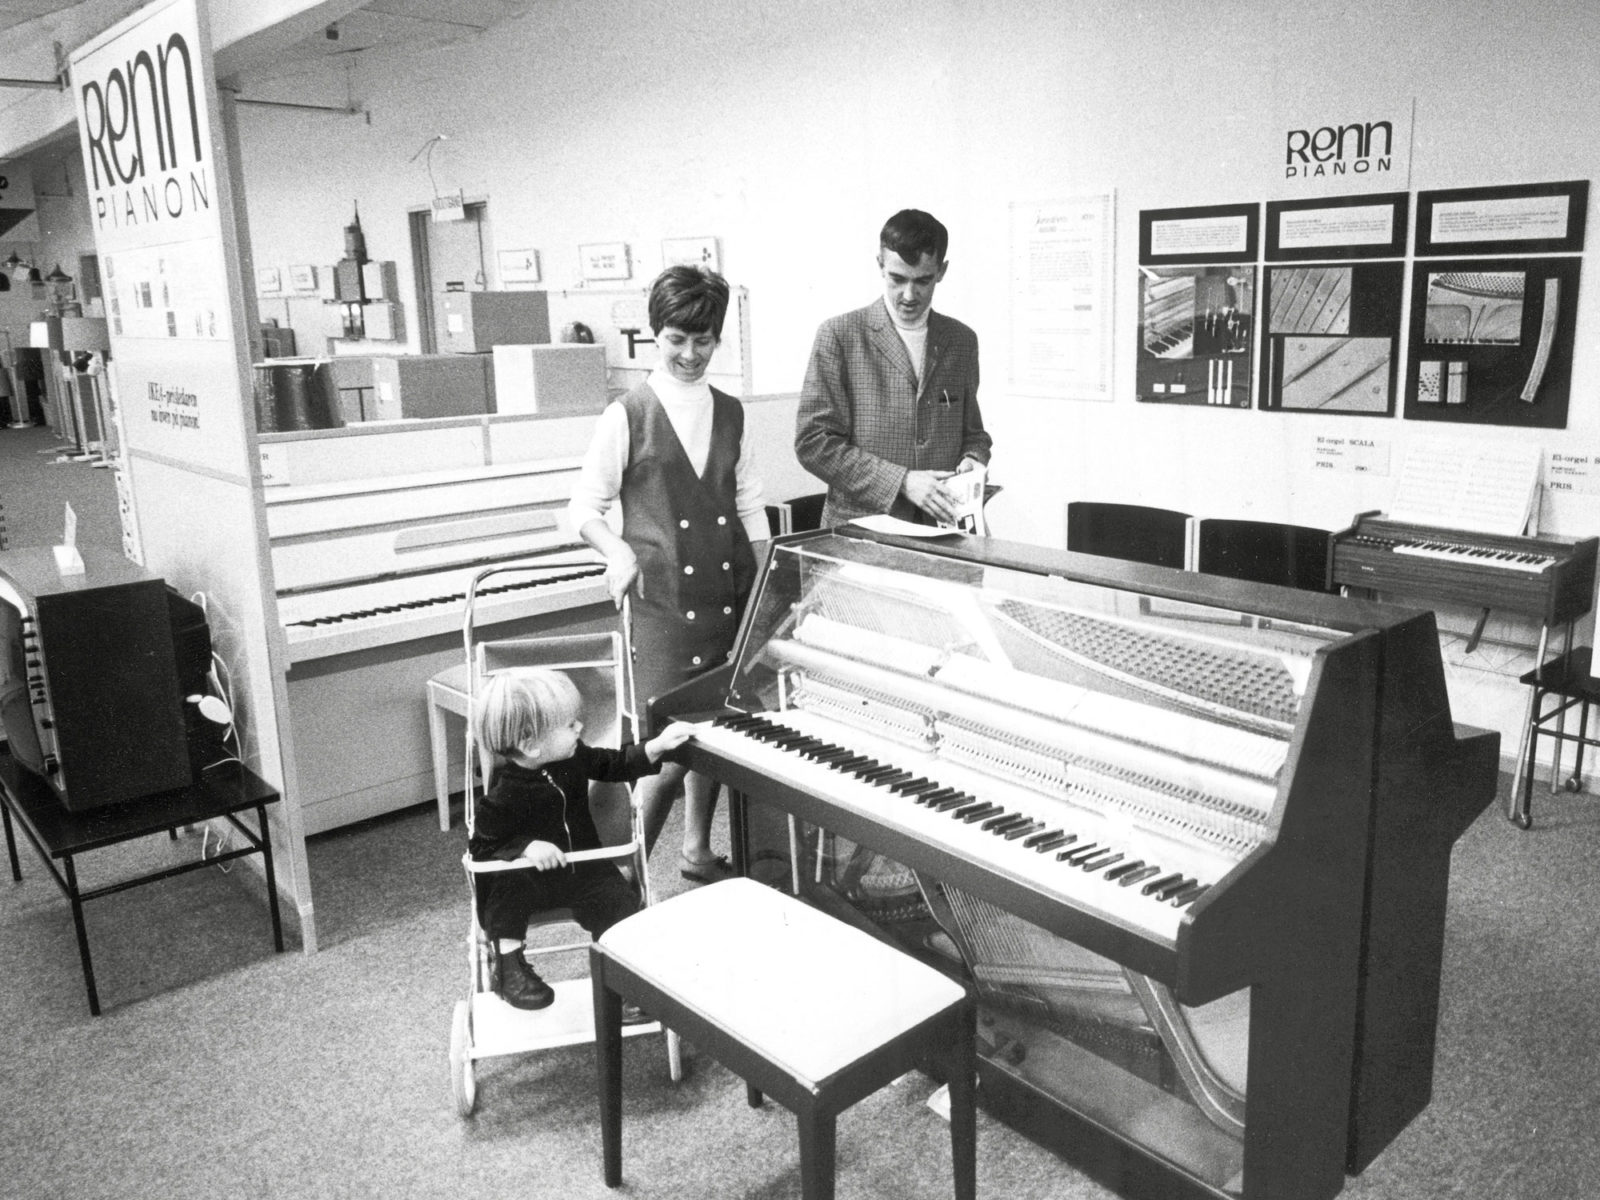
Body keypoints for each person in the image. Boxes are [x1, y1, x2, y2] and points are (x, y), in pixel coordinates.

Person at [568, 264, 767, 885]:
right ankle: (624, 881)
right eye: (676, 339)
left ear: (716, 339)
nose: (689, 353)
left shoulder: (731, 412)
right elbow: (581, 509)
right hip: (662, 608)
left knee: (718, 726)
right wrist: (615, 551)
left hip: (727, 593)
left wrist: (767, 587)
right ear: (655, 335)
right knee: (666, 749)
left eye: (702, 340)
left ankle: (697, 850)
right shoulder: (627, 415)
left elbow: (750, 507)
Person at [469, 668, 696, 1010]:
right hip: (530, 878)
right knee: (504, 892)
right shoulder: (503, 795)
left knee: (619, 900)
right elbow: (483, 847)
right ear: (530, 744)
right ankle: (508, 964)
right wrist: (525, 847)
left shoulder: (574, 758)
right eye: (569, 724)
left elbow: (613, 764)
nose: (580, 727)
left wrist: (655, 747)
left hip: (584, 869)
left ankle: (624, 975)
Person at [795, 208, 992, 528]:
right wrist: (901, 481)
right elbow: (814, 443)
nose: (909, 295)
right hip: (862, 531)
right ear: (880, 265)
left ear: (941, 271)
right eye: (897, 279)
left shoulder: (961, 341)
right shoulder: (840, 336)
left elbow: (974, 434)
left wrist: (973, 459)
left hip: (945, 533)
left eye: (923, 281)